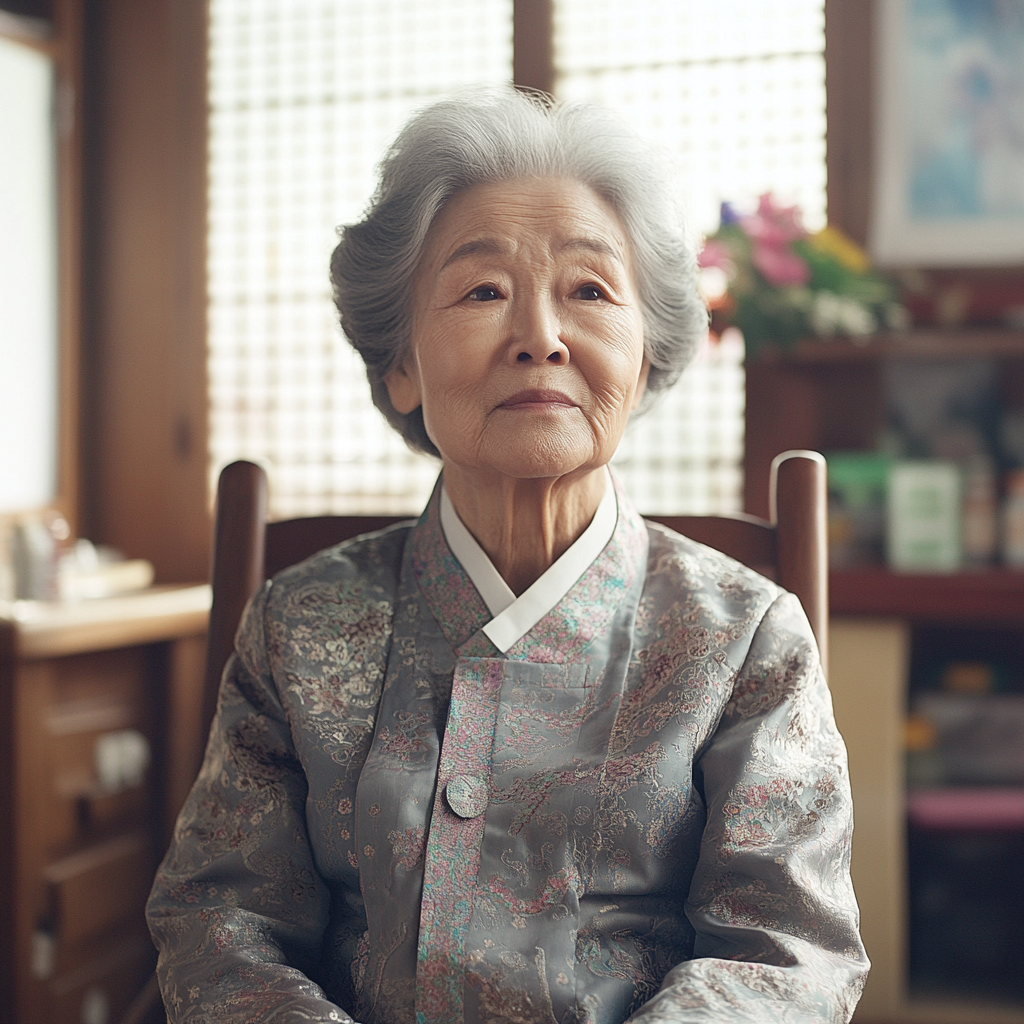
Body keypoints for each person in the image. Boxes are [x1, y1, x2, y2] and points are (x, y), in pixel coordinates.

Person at [147, 88, 868, 1024]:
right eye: (483, 291)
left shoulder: (745, 638)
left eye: (590, 291)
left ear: (646, 355)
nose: (540, 337)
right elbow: (221, 920)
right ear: (400, 363)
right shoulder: (300, 622)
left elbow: (785, 953)